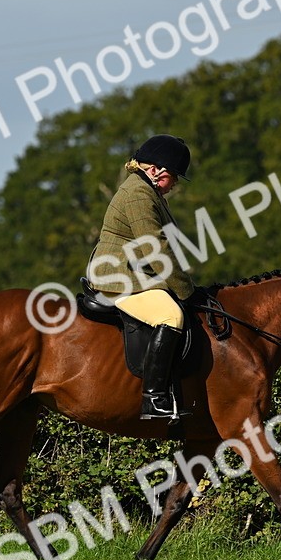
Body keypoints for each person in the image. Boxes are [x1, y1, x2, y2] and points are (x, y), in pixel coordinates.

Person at [88, 134, 196, 419]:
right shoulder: (138, 193)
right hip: (117, 276)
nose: (174, 185)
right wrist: (187, 291)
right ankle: (154, 399)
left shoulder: (147, 191)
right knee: (171, 316)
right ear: (156, 172)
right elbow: (155, 247)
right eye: (173, 177)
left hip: (135, 272)